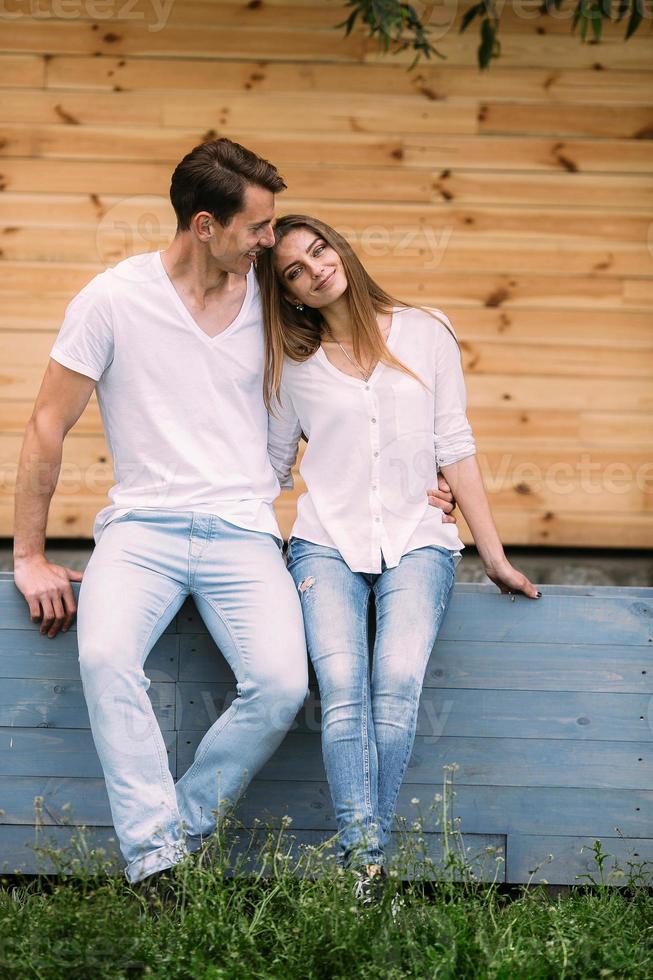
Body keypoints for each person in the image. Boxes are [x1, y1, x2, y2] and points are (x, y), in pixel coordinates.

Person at [257, 214, 541, 901]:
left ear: (340, 250)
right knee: (344, 692)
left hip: (420, 537)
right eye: (293, 270)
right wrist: (254, 556)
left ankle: (363, 864)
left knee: (397, 683)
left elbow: (454, 442)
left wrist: (493, 554)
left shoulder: (426, 329)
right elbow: (266, 471)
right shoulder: (292, 369)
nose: (313, 269)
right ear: (290, 294)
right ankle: (367, 865)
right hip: (323, 542)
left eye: (318, 250)